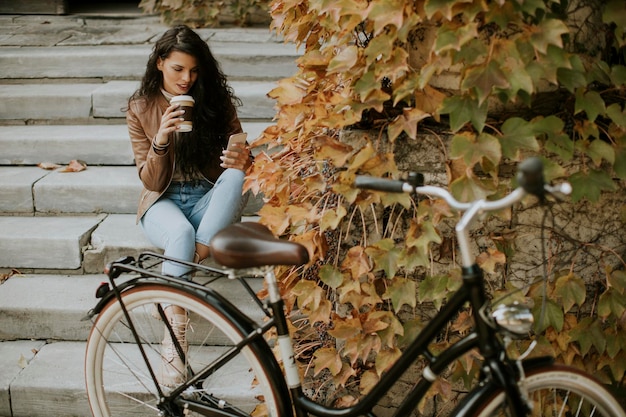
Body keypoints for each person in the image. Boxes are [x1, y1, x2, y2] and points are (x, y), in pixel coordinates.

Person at [126, 25, 252, 386]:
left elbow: (246, 165)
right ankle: (174, 341)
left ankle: (170, 286)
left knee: (235, 178)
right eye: (178, 69)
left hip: (207, 196)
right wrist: (162, 138)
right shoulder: (140, 108)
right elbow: (149, 181)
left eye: (194, 71)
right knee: (179, 232)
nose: (187, 79)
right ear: (160, 63)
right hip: (161, 201)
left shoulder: (214, 101)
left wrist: (240, 157)